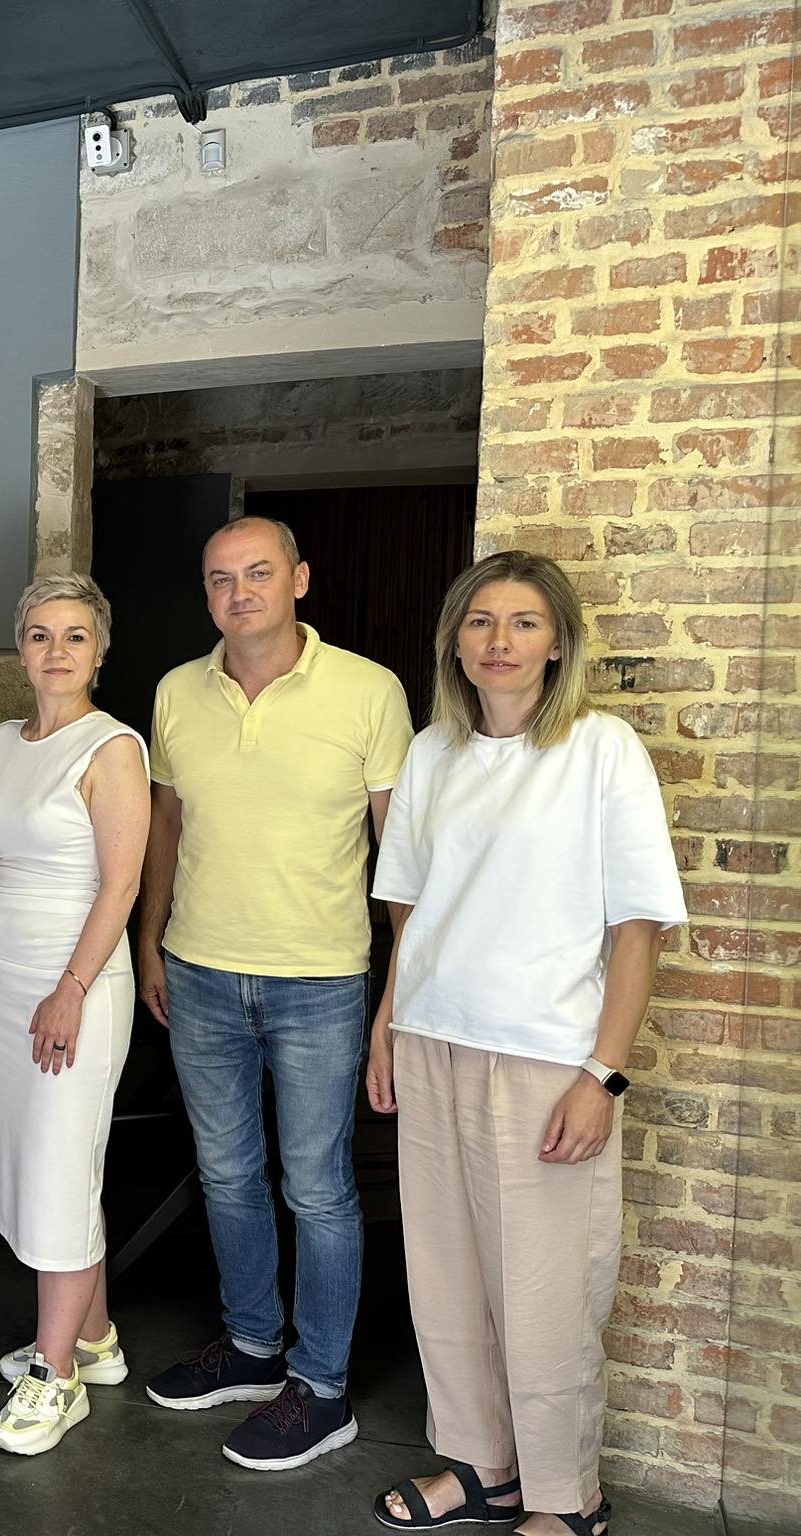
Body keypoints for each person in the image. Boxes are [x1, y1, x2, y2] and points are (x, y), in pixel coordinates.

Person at [367, 552, 683, 1536]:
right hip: (430, 1042)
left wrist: (601, 1075)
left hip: (546, 1059)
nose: (498, 641)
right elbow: (408, 911)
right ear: (453, 643)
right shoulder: (431, 754)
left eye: (523, 623)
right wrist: (386, 1025)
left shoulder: (600, 751)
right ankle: (483, 1468)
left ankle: (566, 1499)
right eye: (479, 622)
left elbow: (637, 929)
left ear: (557, 644)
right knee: (446, 1280)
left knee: (545, 1295)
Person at [133, 515, 413, 1470]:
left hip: (320, 980)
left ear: (300, 579)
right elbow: (166, 825)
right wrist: (150, 940)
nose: (239, 592)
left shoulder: (369, 690)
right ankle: (252, 1345)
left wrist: (394, 996)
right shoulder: (178, 690)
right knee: (225, 1173)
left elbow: (399, 854)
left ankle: (321, 1387)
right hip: (199, 969)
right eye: (220, 578)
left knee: (319, 1187)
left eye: (258, 572)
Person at [0, 573, 149, 1457]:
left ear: (99, 651)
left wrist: (70, 988)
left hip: (78, 988)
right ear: (21, 649)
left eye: (75, 636)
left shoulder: (113, 749)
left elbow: (122, 884)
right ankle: (94, 1340)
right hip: (4, 981)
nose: (56, 651)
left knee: (62, 1169)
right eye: (40, 635)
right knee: (34, 1163)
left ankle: (56, 1373)